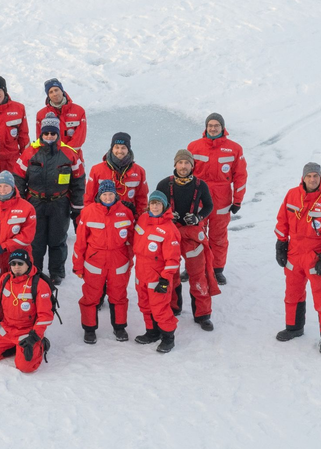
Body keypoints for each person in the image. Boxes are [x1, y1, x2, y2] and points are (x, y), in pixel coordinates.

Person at [14, 114, 85, 285]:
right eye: (46, 134)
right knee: (36, 240)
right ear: (41, 134)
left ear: (58, 134)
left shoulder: (69, 154)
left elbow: (79, 181)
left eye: (52, 134)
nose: (49, 137)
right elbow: (18, 178)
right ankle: (35, 270)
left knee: (57, 240)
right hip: (35, 203)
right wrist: (21, 203)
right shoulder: (30, 152)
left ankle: (56, 272)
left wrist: (77, 207)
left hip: (59, 204)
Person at [156, 150, 218, 330]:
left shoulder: (201, 185)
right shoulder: (163, 184)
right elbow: (154, 206)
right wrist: (167, 214)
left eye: (187, 163)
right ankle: (174, 307)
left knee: (198, 274)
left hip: (192, 235)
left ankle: (203, 314)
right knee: (171, 273)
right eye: (180, 163)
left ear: (192, 166)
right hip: (171, 234)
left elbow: (209, 206)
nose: (183, 167)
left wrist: (198, 218)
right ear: (175, 165)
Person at [187, 113, 248, 285]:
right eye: (210, 125)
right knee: (195, 233)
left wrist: (237, 200)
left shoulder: (235, 149)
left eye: (216, 125)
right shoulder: (194, 146)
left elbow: (240, 176)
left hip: (221, 199)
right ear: (206, 127)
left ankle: (217, 269)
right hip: (197, 196)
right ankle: (192, 267)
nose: (213, 128)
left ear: (223, 127)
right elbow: (185, 173)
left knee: (218, 236)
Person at [73, 180, 135, 343]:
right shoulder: (88, 212)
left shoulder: (126, 212)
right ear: (99, 195)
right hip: (95, 261)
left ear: (116, 194)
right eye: (105, 194)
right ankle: (89, 329)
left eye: (111, 194)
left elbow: (132, 239)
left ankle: (120, 327)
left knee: (119, 295)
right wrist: (78, 266)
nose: (108, 197)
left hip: (118, 261)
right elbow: (80, 242)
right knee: (91, 296)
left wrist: (129, 260)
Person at [0, 249, 54, 373]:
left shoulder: (39, 285)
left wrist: (34, 336)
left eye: (20, 263)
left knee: (25, 367)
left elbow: (45, 316)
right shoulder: (4, 279)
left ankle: (41, 345)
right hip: (6, 328)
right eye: (13, 264)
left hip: (27, 332)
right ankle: (16, 348)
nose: (16, 267)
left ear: (28, 264)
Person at [274, 162, 321, 347]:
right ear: (303, 177)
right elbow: (282, 220)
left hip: (315, 256)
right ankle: (294, 327)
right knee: (293, 293)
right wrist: (281, 243)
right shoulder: (292, 194)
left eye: (315, 176)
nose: (312, 179)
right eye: (309, 176)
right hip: (294, 254)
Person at [133, 191, 181, 353]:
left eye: (158, 204)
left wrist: (165, 279)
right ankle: (152, 332)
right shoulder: (143, 219)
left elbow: (173, 259)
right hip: (141, 273)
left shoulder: (169, 229)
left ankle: (168, 337)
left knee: (160, 308)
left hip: (157, 277)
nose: (155, 206)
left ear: (165, 206)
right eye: (152, 203)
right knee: (144, 305)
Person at [84, 132, 148, 217]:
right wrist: (90, 217)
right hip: (103, 217)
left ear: (128, 149)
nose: (120, 151)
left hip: (128, 219)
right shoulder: (97, 170)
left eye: (123, 148)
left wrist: (139, 219)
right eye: (116, 147)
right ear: (112, 148)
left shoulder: (139, 171)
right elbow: (89, 198)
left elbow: (142, 199)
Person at [35, 78, 87, 148]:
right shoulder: (41, 114)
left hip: (73, 155)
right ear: (48, 96)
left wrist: (65, 153)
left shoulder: (79, 111)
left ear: (62, 91)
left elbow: (79, 138)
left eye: (56, 90)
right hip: (51, 156)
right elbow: (41, 138)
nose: (55, 94)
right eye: (51, 92)